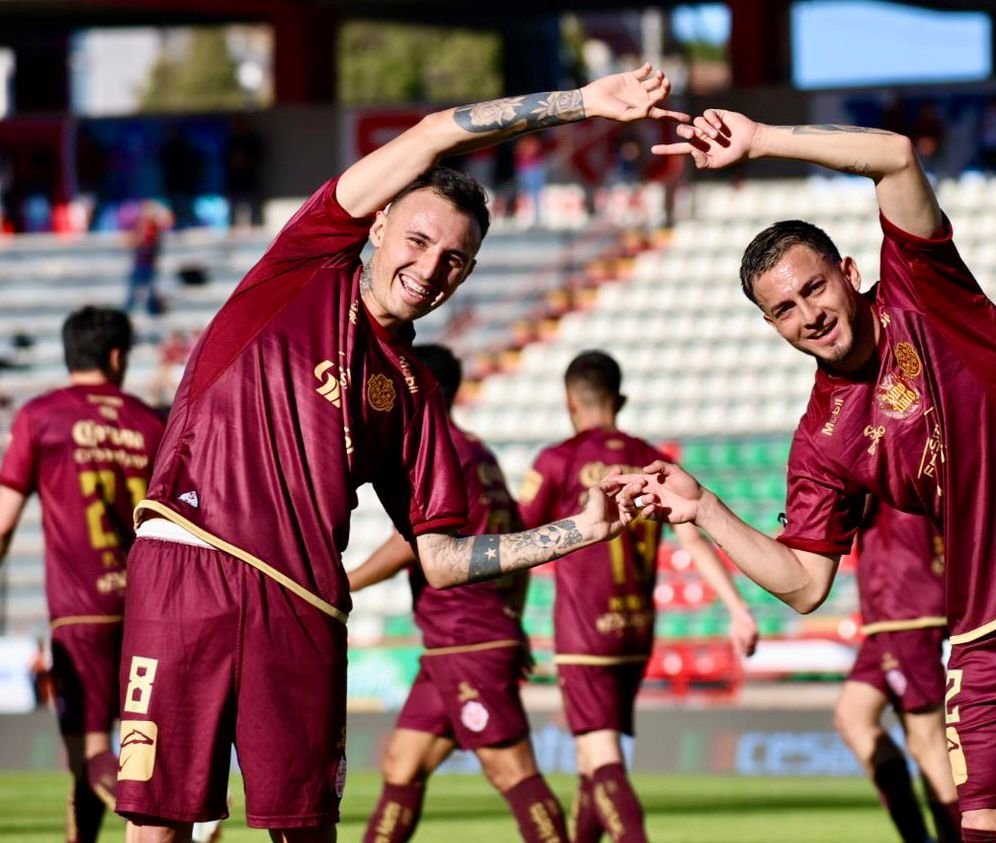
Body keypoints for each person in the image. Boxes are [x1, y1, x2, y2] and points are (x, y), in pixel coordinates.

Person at [113, 63, 685, 843]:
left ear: (468, 273)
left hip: (305, 608)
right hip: (188, 564)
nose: (428, 266)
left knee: (306, 829)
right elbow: (438, 132)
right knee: (159, 822)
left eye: (453, 258)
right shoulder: (303, 264)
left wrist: (576, 532)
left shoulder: (413, 393)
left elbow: (442, 558)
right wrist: (583, 104)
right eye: (418, 238)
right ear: (377, 224)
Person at [609, 109, 996, 843]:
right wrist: (704, 507)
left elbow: (896, 157)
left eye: (813, 288)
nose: (807, 314)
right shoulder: (819, 439)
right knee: (983, 829)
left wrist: (761, 141)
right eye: (782, 309)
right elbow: (805, 582)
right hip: (983, 629)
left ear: (848, 272)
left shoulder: (923, 290)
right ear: (770, 326)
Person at [520, 350, 758, 843]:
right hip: (635, 632)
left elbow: (520, 543)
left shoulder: (557, 461)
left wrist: (507, 620)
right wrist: (737, 609)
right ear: (620, 399)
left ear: (570, 403)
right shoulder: (655, 462)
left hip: (584, 634)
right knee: (592, 763)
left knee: (601, 757)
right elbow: (692, 535)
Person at [350, 343, 568, 843]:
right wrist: (511, 619)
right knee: (402, 764)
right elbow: (514, 541)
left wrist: (344, 584)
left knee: (511, 771)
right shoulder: (477, 452)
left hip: (466, 637)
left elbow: (412, 545)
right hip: (457, 639)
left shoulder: (438, 449)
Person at [0, 306, 166, 843]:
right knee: (122, 750)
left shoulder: (40, 416)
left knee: (91, 754)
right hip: (150, 610)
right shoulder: (149, 422)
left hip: (80, 612)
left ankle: (175, 815)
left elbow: (2, 523)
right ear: (118, 357)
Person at [836, 500, 959, 843]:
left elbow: (843, 501)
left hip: (905, 607)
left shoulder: (885, 453)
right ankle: (918, 838)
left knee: (927, 740)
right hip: (890, 613)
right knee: (853, 718)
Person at [124, 201, 170, 315]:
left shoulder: (153, 228)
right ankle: (129, 311)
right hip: (140, 263)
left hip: (148, 263)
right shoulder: (140, 226)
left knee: (149, 289)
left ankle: (152, 310)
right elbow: (134, 243)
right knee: (135, 289)